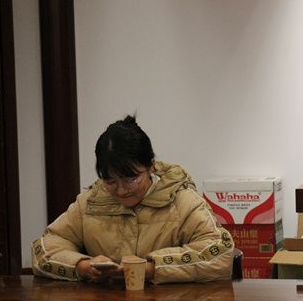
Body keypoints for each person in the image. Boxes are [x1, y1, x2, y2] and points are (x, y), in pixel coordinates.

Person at [32, 115, 234, 284]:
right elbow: (45, 249)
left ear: (151, 166)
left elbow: (221, 253)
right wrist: (83, 266)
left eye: (130, 179)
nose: (121, 191)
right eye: (110, 181)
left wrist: (150, 269)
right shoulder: (90, 203)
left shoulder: (183, 202)